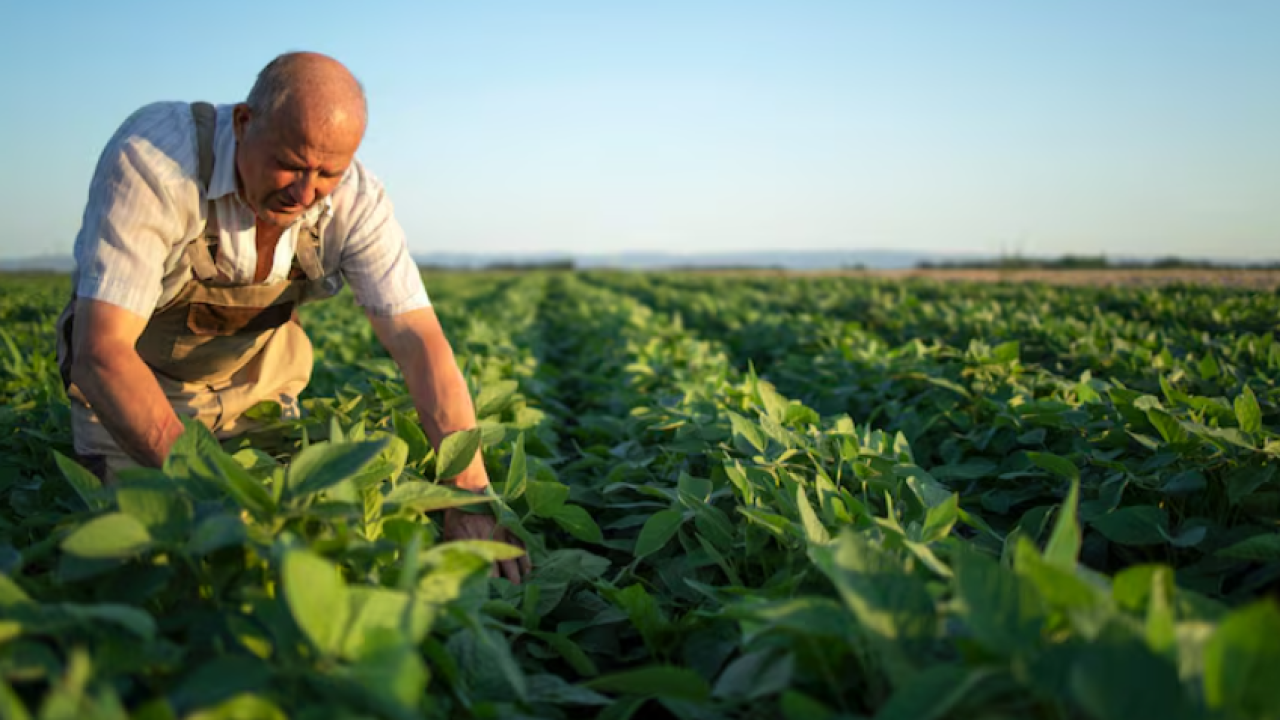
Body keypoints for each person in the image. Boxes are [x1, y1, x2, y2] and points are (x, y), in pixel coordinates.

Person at [55, 51, 529, 582]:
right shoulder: (156, 160)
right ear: (243, 122)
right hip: (137, 396)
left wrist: (467, 496)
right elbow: (102, 354)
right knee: (155, 565)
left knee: (305, 556)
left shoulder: (357, 201)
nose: (305, 192)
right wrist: (216, 495)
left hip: (258, 392)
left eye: (328, 173)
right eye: (290, 163)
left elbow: (419, 343)